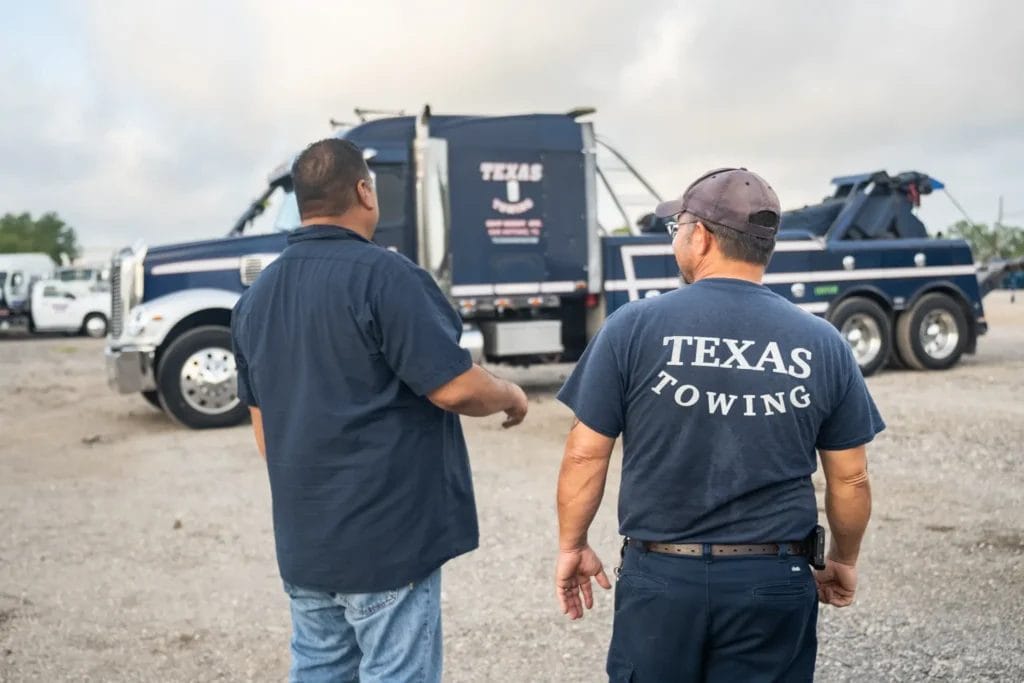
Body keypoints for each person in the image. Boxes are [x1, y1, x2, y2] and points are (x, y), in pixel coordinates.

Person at [554, 168, 883, 681]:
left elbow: (584, 453)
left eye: (677, 227)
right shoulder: (823, 342)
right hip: (774, 578)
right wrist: (844, 558)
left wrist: (572, 546)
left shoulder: (632, 327)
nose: (676, 238)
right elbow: (851, 477)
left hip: (662, 577)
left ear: (700, 236)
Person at [231, 138, 528, 683]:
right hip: (386, 543)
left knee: (319, 670)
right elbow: (455, 388)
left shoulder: (255, 297)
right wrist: (511, 395)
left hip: (306, 546)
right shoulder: (387, 277)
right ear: (364, 192)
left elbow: (266, 436)